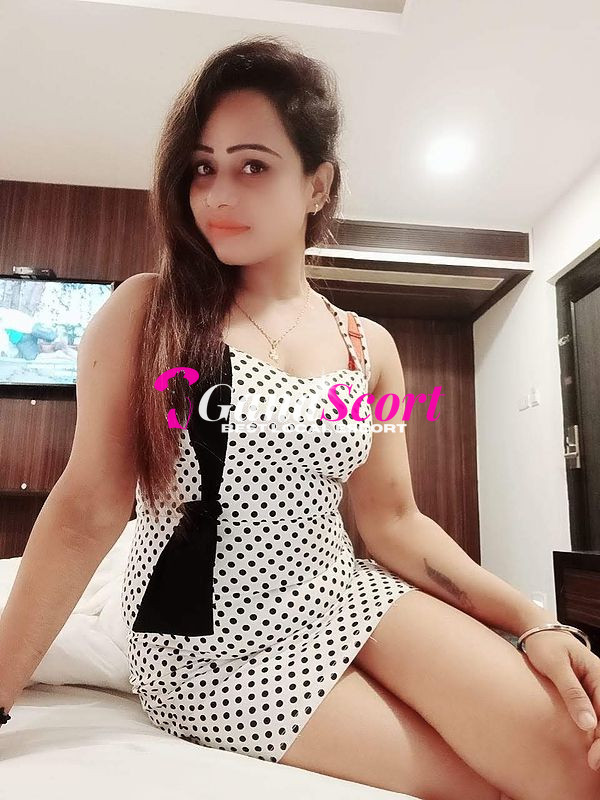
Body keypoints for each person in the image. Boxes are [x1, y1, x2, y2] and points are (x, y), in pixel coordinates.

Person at [2, 35, 600, 800]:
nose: (220, 194)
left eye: (253, 165)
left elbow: (394, 522)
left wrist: (534, 620)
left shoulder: (366, 347)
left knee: (573, 757)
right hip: (209, 649)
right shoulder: (148, 313)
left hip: (341, 593)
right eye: (203, 167)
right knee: (485, 787)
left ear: (318, 185)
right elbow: (87, 509)